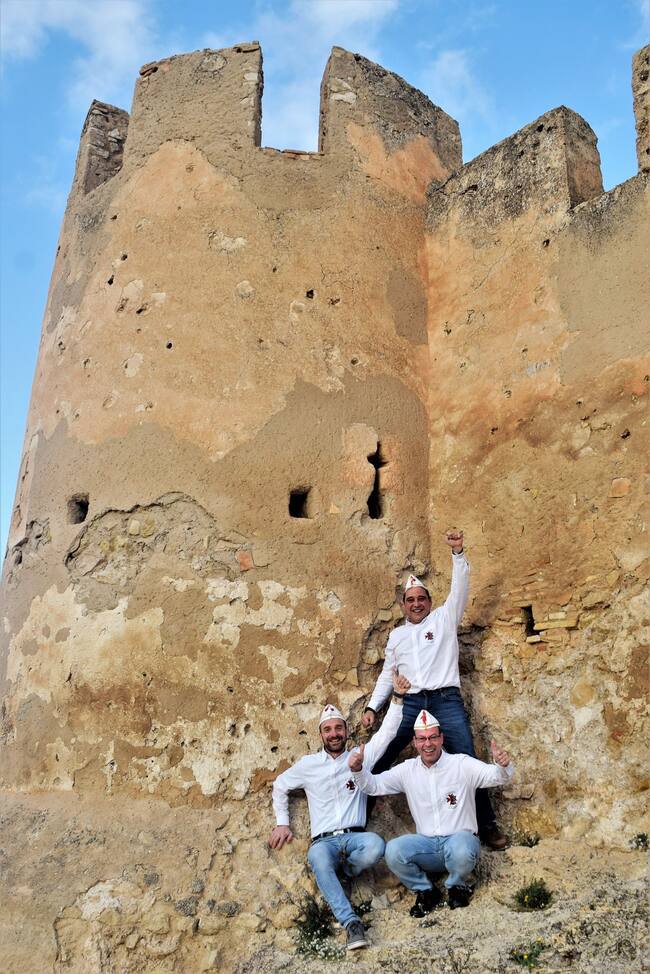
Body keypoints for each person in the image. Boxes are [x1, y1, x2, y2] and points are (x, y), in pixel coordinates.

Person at [362, 530, 507, 850]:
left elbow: (460, 589)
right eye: (410, 600)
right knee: (380, 756)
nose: (416, 604)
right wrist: (373, 707)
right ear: (403, 605)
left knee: (467, 756)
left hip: (445, 700)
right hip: (410, 703)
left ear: (429, 602)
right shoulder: (397, 636)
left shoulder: (444, 618)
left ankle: (486, 825)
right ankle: (359, 824)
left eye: (421, 599)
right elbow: (388, 674)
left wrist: (458, 554)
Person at [269, 670, 410, 951]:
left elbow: (387, 733)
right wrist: (282, 822)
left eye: (338, 728)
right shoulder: (308, 765)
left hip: (355, 837)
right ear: (321, 734)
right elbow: (280, 785)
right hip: (324, 841)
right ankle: (350, 923)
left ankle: (346, 870)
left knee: (375, 845)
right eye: (328, 730)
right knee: (317, 856)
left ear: (346, 731)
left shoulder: (360, 757)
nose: (334, 734)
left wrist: (397, 698)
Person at [349, 709, 513, 914]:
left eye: (433, 737)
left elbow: (496, 776)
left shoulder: (461, 764)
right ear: (415, 742)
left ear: (441, 738)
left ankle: (457, 886)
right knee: (393, 850)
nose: (428, 743)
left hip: (458, 842)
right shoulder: (407, 770)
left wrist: (502, 765)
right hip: (427, 846)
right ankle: (426, 891)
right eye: (422, 738)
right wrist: (358, 770)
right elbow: (374, 786)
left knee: (463, 846)